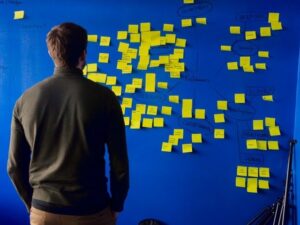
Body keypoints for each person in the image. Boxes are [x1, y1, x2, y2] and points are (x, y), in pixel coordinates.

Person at [7, 22, 129, 225]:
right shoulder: (105, 98)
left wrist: (33, 205)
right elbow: (120, 167)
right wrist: (116, 205)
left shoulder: (25, 100)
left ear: (51, 53)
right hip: (91, 211)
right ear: (83, 55)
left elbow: (14, 166)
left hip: (43, 211)